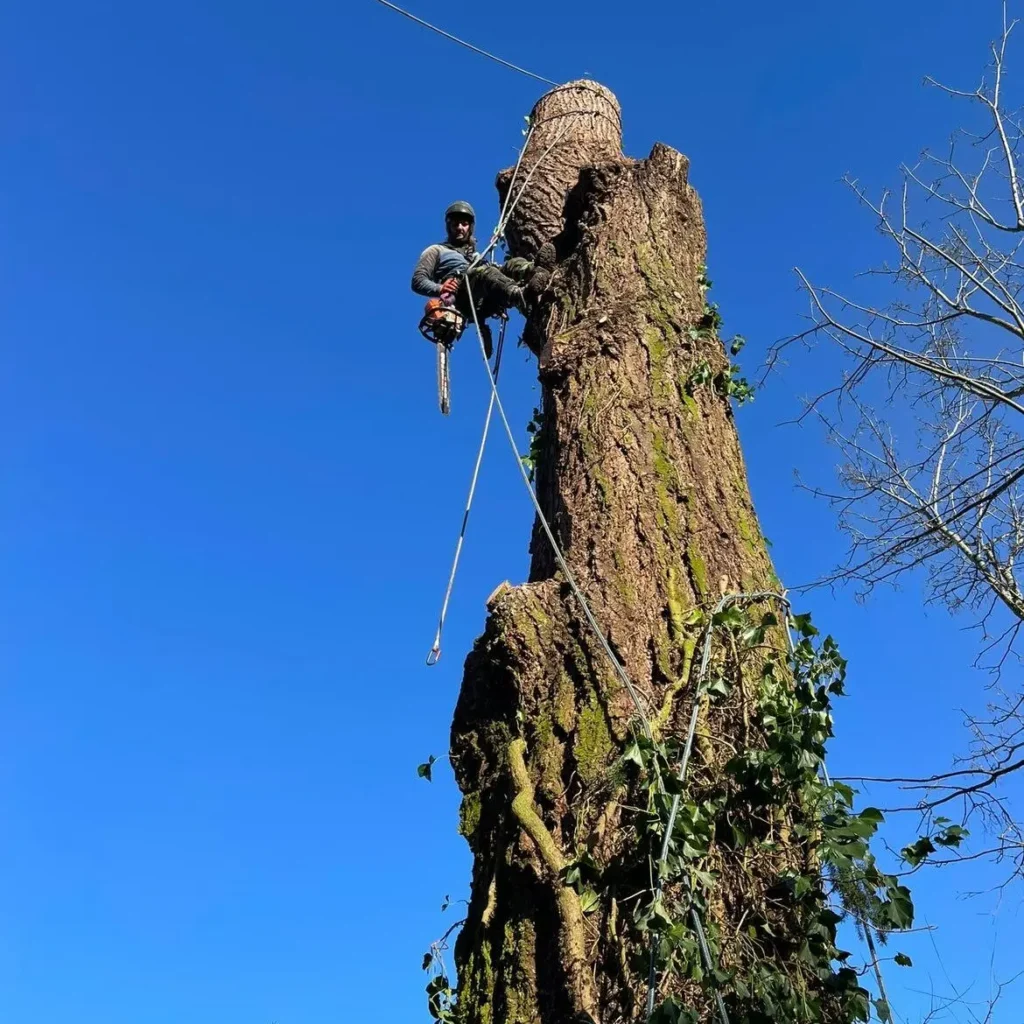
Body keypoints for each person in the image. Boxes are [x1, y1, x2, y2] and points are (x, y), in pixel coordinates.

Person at [411, 201, 553, 350]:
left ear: (470, 227)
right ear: (449, 227)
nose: (460, 228)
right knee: (485, 273)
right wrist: (440, 288)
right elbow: (417, 281)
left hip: (484, 293)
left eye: (464, 224)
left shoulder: (474, 256)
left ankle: (536, 270)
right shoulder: (436, 250)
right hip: (464, 295)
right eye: (455, 224)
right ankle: (521, 295)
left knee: (511, 265)